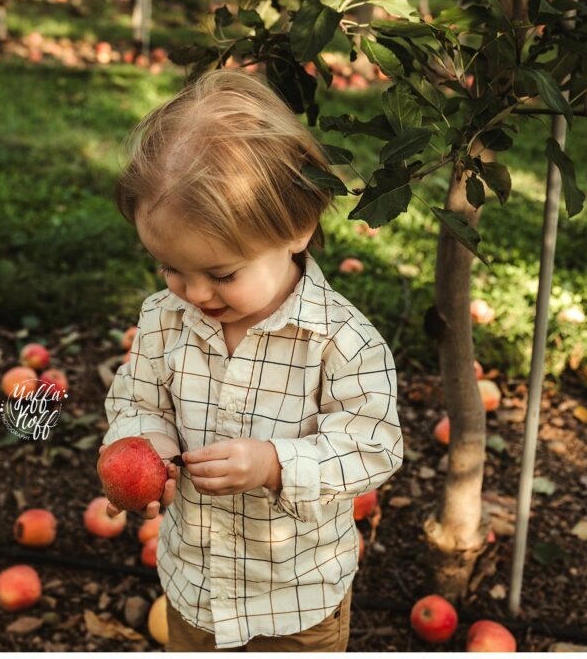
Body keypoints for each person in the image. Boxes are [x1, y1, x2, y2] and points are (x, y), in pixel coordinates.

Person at [99, 68, 403, 652]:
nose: (192, 292)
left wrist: (275, 464)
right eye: (169, 268)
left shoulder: (340, 341)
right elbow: (136, 399)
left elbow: (374, 447)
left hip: (295, 605)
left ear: (297, 227)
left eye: (220, 274)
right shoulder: (165, 319)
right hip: (194, 587)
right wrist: (147, 444)